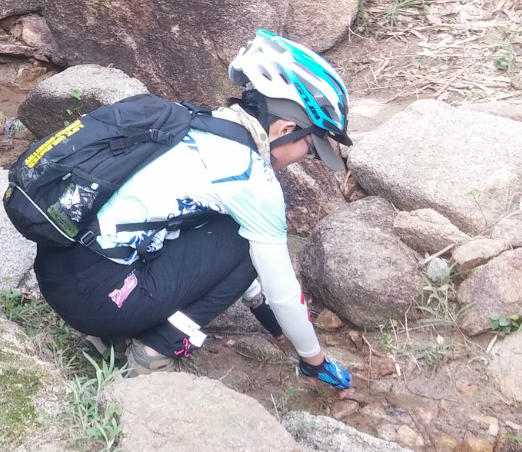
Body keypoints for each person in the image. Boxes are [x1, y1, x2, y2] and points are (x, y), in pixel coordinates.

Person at [32, 30, 354, 394]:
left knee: (234, 232)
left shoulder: (193, 123)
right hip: (97, 302)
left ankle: (110, 339)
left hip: (58, 272)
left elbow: (214, 254)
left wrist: (266, 317)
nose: (304, 159)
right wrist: (314, 360)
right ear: (286, 129)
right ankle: (152, 353)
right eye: (309, 149)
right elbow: (282, 290)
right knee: (250, 241)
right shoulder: (251, 177)